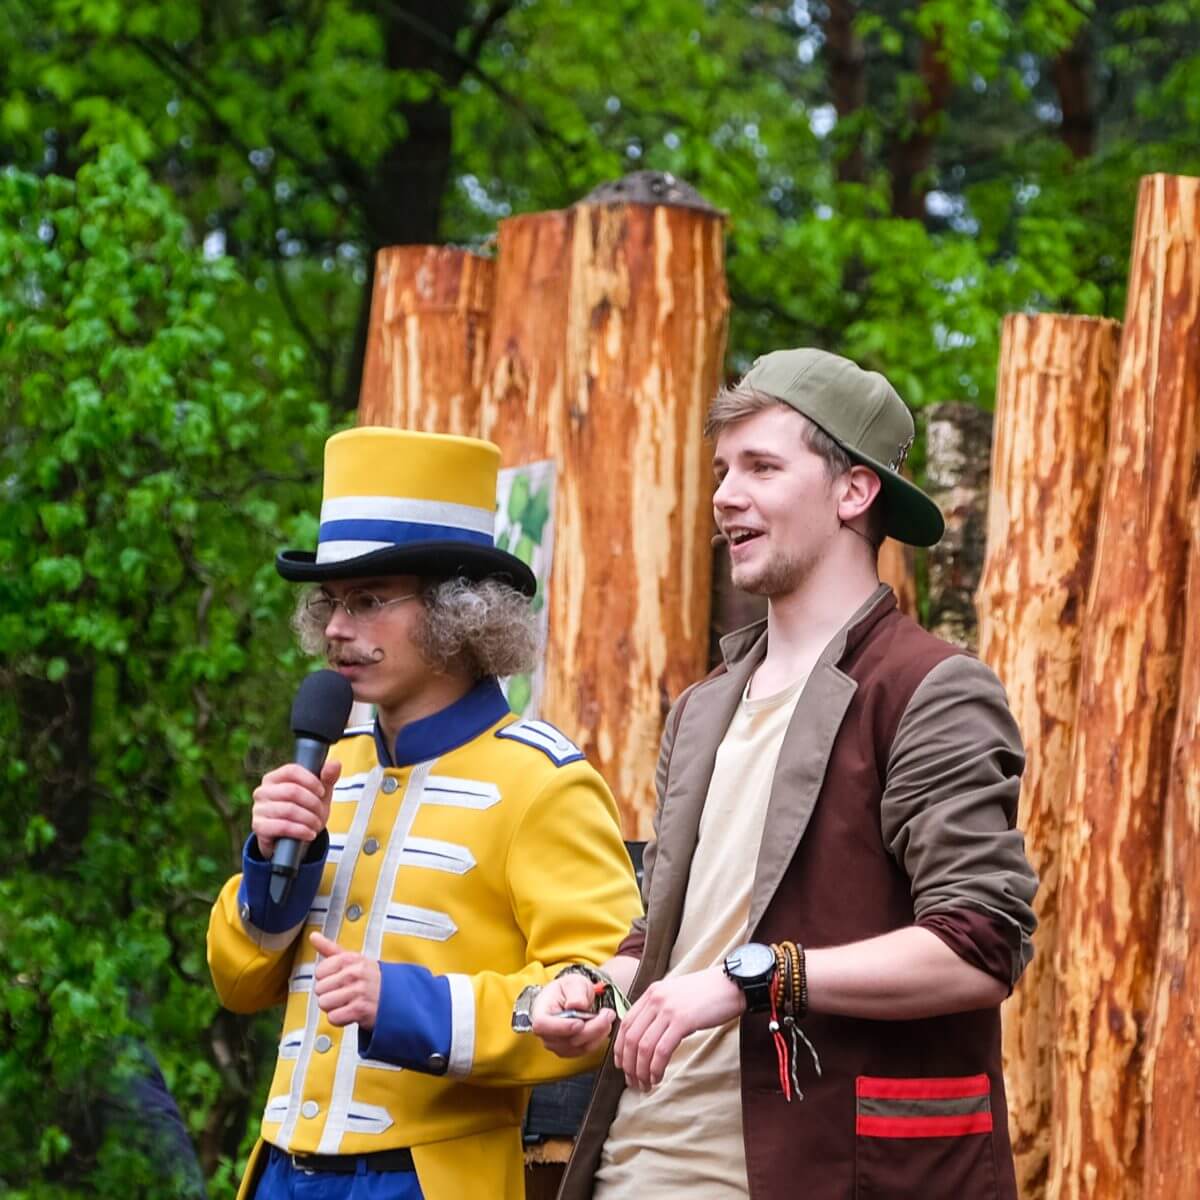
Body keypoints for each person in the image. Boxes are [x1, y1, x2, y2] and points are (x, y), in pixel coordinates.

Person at [533, 349, 1038, 1200]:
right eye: (724, 470)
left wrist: (758, 978)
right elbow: (668, 942)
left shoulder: (931, 688)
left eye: (763, 467)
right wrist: (597, 991)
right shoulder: (702, 708)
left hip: (824, 1171)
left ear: (853, 492)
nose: (726, 495)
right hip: (635, 1168)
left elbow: (979, 945)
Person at [207, 428, 641, 1200]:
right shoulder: (330, 762)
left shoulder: (543, 779)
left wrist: (411, 1005)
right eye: (331, 603)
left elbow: (603, 992)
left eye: (369, 600)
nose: (337, 629)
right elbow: (240, 985)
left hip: (429, 1182)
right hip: (277, 1173)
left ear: (459, 614)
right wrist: (277, 859)